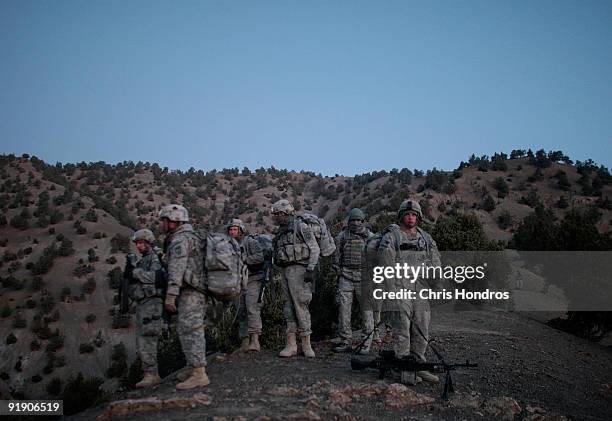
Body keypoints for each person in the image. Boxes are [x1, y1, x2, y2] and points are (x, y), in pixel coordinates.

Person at [378, 199, 441, 385]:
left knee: (422, 327)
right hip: (400, 287)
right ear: (401, 216)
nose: (411, 217)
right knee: (402, 328)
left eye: (414, 214)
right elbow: (385, 261)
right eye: (407, 214)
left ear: (418, 217)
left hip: (421, 288)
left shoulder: (425, 238)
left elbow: (435, 259)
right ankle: (403, 367)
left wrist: (436, 282)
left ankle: (419, 366)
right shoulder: (393, 236)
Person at [159, 204, 209, 389]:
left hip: (191, 290)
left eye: (165, 220)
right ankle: (192, 366)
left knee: (191, 328)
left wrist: (171, 294)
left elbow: (176, 268)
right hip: (195, 289)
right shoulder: (191, 236)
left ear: (174, 221)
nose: (162, 224)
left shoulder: (180, 240)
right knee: (187, 328)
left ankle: (199, 373)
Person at [271, 199, 320, 358]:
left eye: (279, 214)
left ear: (286, 213)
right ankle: (291, 344)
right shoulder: (281, 232)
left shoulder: (301, 226)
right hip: (285, 270)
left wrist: (311, 269)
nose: (277, 217)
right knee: (288, 307)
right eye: (276, 214)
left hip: (300, 269)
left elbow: (314, 248)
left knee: (301, 305)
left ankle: (306, 344)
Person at [332, 208, 376, 354]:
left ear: (363, 221)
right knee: (344, 311)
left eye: (359, 220)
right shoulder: (342, 237)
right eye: (353, 220)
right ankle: (345, 340)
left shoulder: (370, 237)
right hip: (346, 276)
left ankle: (366, 341)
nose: (356, 223)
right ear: (349, 221)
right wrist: (337, 271)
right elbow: (336, 256)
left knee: (367, 311)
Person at [130, 228, 163, 388]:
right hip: (144, 303)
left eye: (141, 243)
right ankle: (149, 373)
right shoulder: (144, 259)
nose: (138, 246)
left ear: (148, 242)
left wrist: (135, 273)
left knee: (147, 338)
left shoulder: (154, 258)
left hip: (152, 303)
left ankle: (152, 374)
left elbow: (156, 277)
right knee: (142, 338)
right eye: (136, 243)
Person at [227, 218, 266, 352]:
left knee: (252, 308)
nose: (232, 232)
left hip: (253, 278)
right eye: (231, 229)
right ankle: (244, 342)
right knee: (240, 311)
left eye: (235, 229)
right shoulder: (229, 246)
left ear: (241, 230)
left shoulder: (250, 242)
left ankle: (255, 341)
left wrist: (245, 259)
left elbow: (260, 257)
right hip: (238, 281)